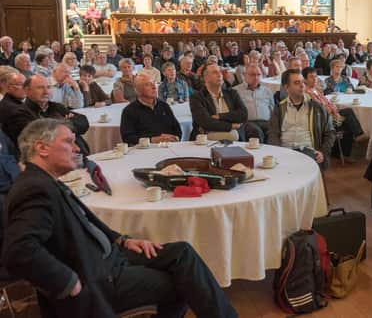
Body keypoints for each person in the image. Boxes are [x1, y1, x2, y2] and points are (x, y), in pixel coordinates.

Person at [4, 118, 237, 317]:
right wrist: (67, 282)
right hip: (99, 275)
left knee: (182, 252)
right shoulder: (34, 188)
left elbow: (86, 222)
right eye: (68, 142)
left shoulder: (44, 180)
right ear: (42, 148)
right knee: (183, 282)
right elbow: (19, 251)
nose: (77, 149)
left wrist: (122, 240)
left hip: (110, 255)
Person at [268, 69, 335, 168]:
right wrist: (279, 152)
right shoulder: (279, 108)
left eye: (303, 82)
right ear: (287, 87)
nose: (302, 85)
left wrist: (322, 152)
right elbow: (273, 134)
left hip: (308, 151)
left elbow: (330, 132)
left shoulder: (317, 107)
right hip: (285, 151)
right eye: (296, 83)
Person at [303, 67, 364, 160]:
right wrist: (334, 113)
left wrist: (335, 112)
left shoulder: (315, 90)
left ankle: (345, 148)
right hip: (324, 121)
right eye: (311, 77)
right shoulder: (307, 93)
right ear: (305, 80)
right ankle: (353, 141)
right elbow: (321, 109)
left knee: (348, 112)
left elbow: (328, 102)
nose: (315, 79)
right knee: (347, 122)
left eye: (315, 76)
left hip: (330, 115)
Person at [189, 63, 247, 141]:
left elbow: (243, 114)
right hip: (205, 138)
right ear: (205, 78)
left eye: (220, 71)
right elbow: (206, 122)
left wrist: (220, 116)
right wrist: (231, 126)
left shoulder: (232, 93)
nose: (219, 74)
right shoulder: (197, 97)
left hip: (233, 138)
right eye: (215, 72)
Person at [121, 74, 182, 145]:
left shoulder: (164, 106)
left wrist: (175, 138)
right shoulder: (129, 111)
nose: (154, 87)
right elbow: (127, 138)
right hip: (144, 150)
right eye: (148, 84)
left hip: (168, 146)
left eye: (154, 83)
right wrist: (152, 140)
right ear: (138, 90)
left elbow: (178, 131)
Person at [234, 64, 274, 143]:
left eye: (258, 75)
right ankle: (260, 154)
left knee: (274, 131)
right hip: (247, 123)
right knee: (256, 131)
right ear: (245, 75)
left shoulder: (267, 91)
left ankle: (272, 154)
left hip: (266, 122)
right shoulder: (236, 91)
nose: (256, 78)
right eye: (252, 75)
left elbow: (272, 109)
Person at [0, 70, 27, 148]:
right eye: (20, 84)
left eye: (26, 84)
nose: (25, 88)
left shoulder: (14, 103)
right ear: (8, 87)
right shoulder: (13, 109)